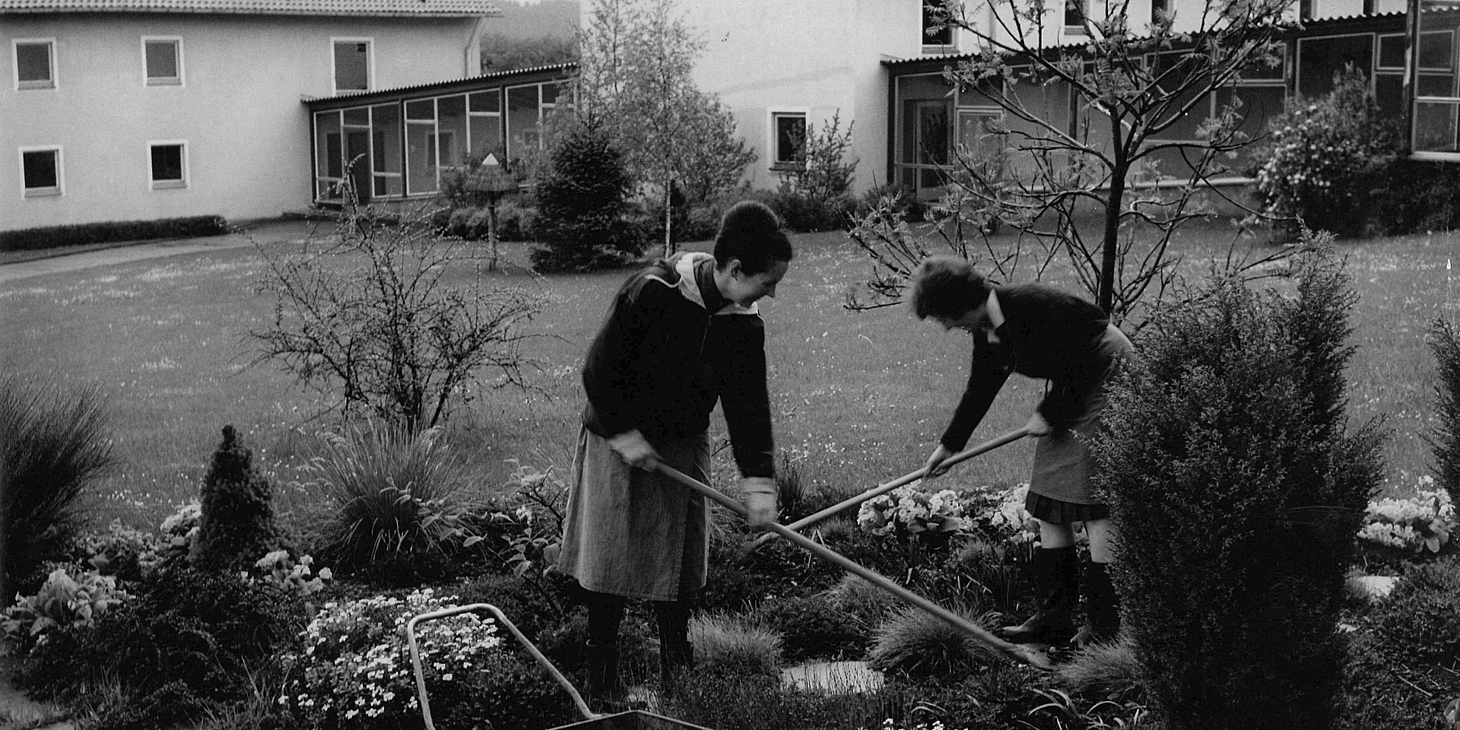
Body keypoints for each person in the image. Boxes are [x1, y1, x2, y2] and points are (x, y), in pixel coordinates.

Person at [556, 200, 792, 703]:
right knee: (609, 558)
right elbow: (599, 370)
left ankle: (678, 676)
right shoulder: (655, 291)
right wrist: (624, 434)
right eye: (766, 281)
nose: (772, 292)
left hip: (682, 440)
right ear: (733, 269)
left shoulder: (743, 323)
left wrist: (759, 483)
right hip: (617, 438)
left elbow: (749, 409)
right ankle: (602, 679)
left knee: (680, 562)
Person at [908, 256, 1134, 647]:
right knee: (1049, 491)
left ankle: (1104, 628)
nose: (945, 327)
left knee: (1094, 496)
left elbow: (1082, 352)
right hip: (1073, 384)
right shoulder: (987, 328)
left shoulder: (1029, 305)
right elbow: (981, 387)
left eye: (944, 317)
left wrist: (1051, 412)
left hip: (1106, 372)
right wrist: (949, 446)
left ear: (963, 303)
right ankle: (1054, 619)